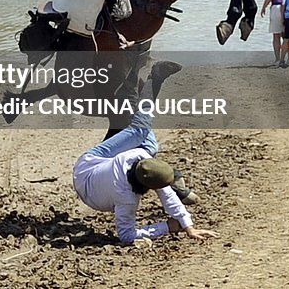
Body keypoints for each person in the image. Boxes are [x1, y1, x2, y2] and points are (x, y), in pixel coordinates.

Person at [73, 61, 217, 244]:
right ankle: (149, 82)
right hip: (87, 169)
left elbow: (167, 196)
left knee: (142, 133)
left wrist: (188, 226)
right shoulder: (130, 190)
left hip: (90, 171)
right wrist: (168, 227)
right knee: (145, 138)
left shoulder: (132, 172)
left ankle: (135, 88)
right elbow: (127, 236)